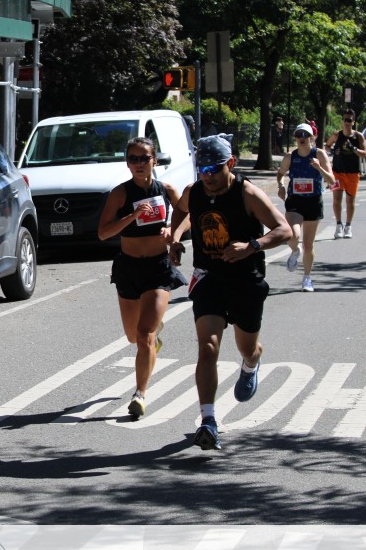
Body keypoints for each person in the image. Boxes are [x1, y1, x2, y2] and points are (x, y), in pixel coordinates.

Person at [169, 134, 292, 451]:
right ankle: (208, 421)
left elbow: (284, 230)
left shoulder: (247, 193)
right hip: (209, 278)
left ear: (231, 164)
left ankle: (251, 363)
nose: (207, 176)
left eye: (214, 168)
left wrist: (251, 246)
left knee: (246, 346)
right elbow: (180, 210)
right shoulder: (194, 191)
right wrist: (175, 237)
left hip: (245, 280)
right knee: (208, 347)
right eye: (202, 169)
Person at [97, 136, 188, 418]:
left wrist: (173, 232)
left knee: (144, 333)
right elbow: (103, 233)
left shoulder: (167, 190)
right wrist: (132, 215)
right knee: (132, 336)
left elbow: (188, 214)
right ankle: (151, 340)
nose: (138, 163)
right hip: (129, 267)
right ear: (127, 163)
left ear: (154, 161)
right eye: (132, 159)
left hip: (158, 268)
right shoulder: (120, 194)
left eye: (143, 158)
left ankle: (140, 394)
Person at [276, 122, 335, 292]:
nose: (301, 138)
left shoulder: (319, 154)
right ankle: (295, 251)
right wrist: (281, 185)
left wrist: (319, 168)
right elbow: (280, 173)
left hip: (313, 202)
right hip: (295, 201)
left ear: (311, 138)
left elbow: (331, 180)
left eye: (305, 135)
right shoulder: (290, 157)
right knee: (292, 235)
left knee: (308, 245)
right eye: (298, 135)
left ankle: (307, 278)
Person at [325, 110, 366, 239]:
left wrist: (354, 149)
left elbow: (364, 154)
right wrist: (333, 151)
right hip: (337, 172)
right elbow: (327, 146)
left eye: (349, 120)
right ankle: (338, 224)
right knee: (336, 199)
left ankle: (348, 226)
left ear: (353, 122)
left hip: (353, 173)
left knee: (350, 200)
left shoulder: (358, 136)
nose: (346, 122)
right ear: (342, 121)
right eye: (345, 120)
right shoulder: (337, 135)